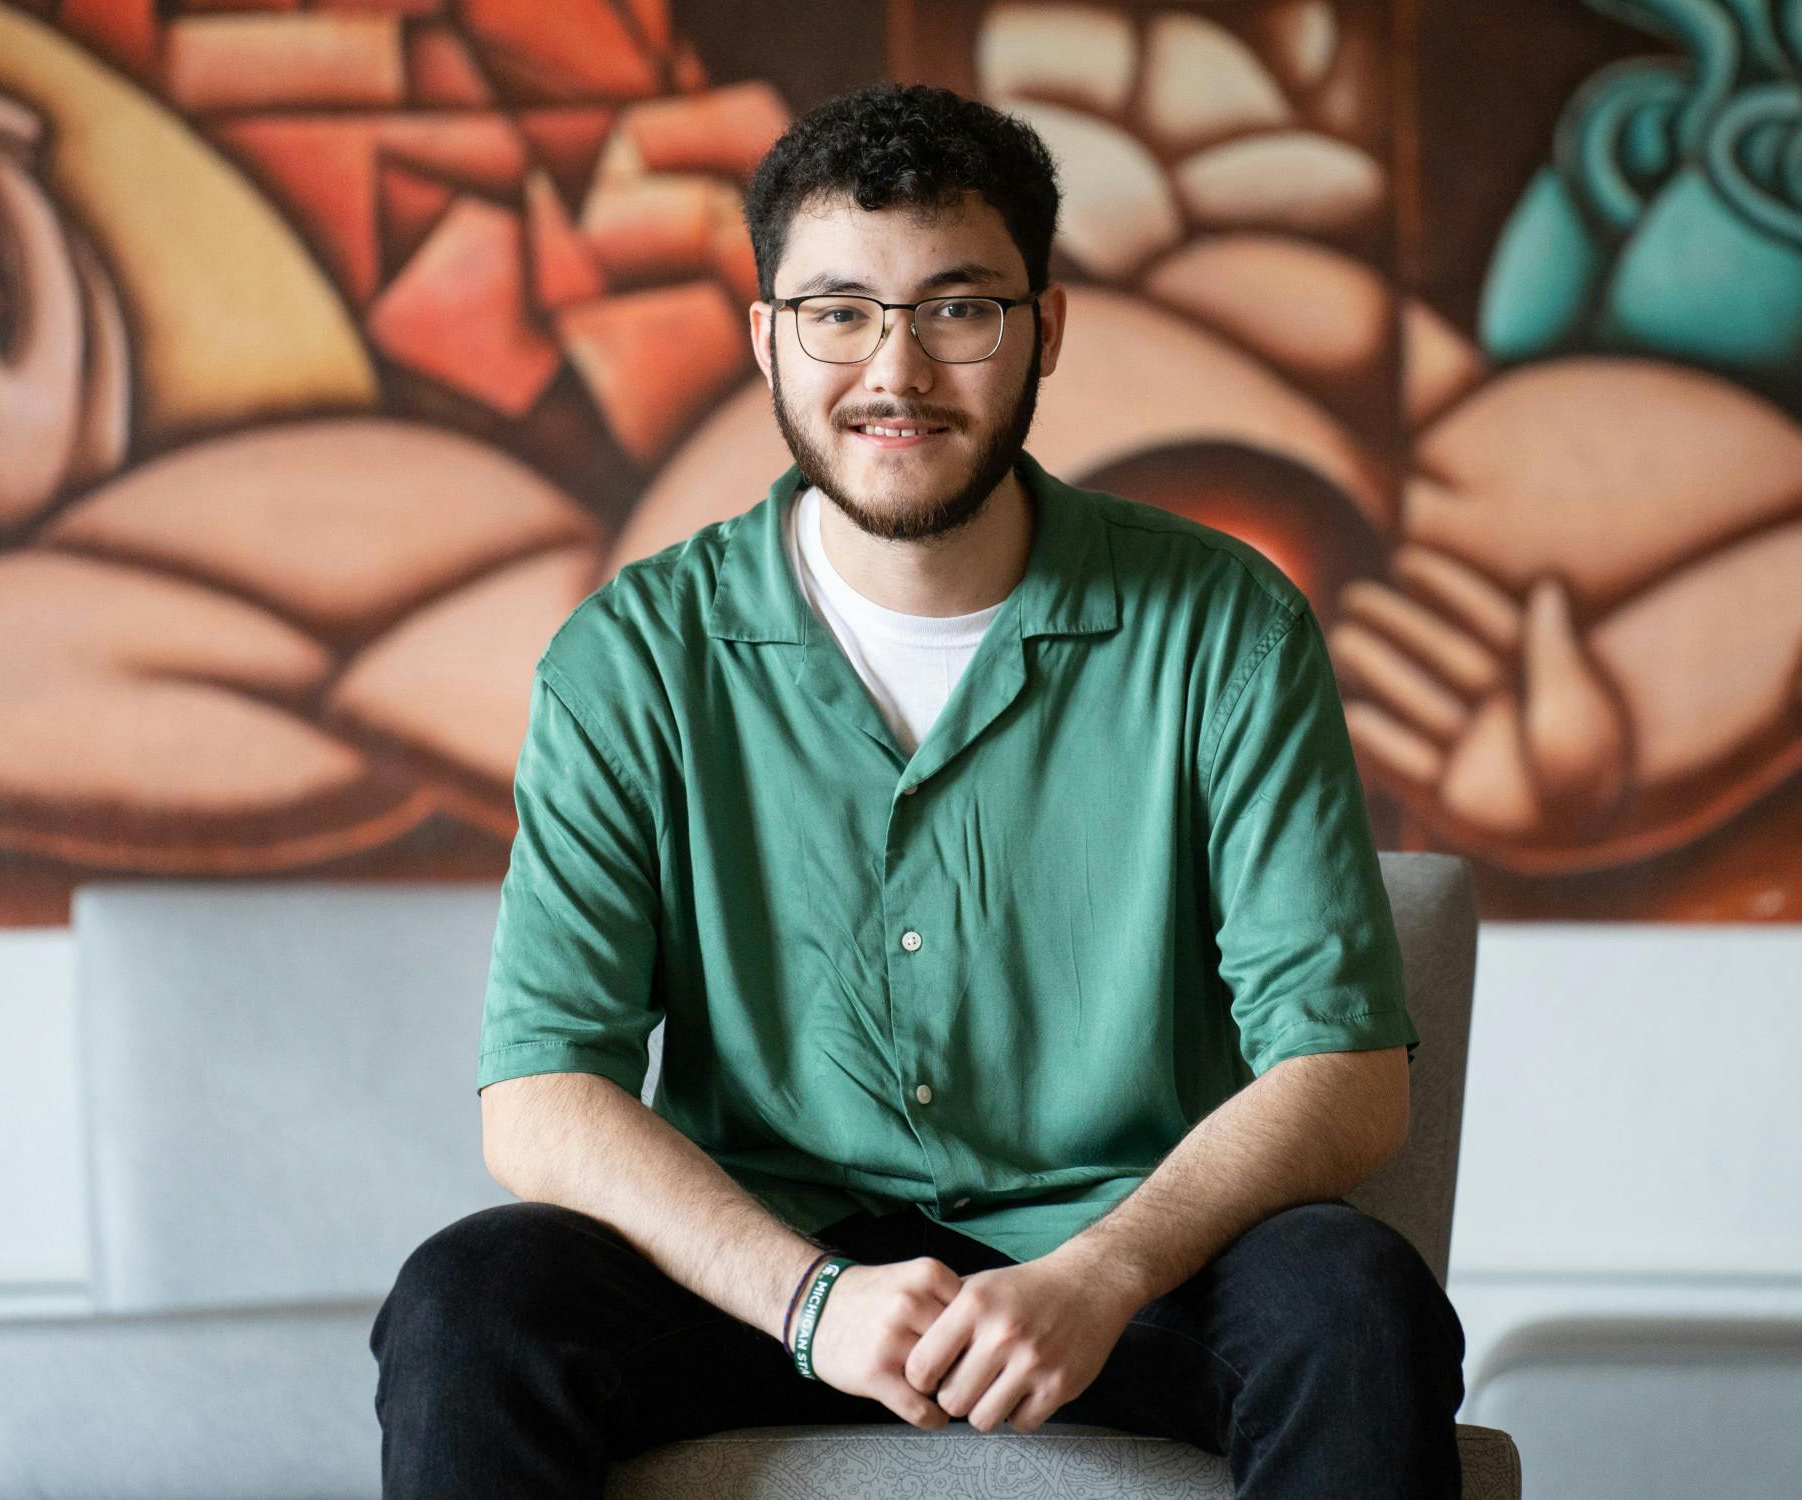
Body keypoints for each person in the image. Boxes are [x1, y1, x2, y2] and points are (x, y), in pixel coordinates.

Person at [370, 82, 1466, 1498]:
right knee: (472, 1303)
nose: (895, 370)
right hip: (764, 1285)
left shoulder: (1223, 629)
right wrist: (812, 1300)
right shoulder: (631, 658)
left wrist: (1100, 1272)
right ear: (767, 337)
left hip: (1124, 1272)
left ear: (1044, 329)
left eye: (958, 308)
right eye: (837, 311)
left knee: (1355, 1302)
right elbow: (539, 1095)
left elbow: (1348, 1076)